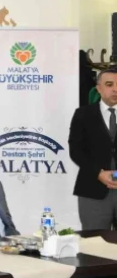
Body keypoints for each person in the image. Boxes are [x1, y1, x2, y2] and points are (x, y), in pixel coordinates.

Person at [69, 67, 117, 230]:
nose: (115, 89)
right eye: (109, 84)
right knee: (94, 241)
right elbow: (76, 150)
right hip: (92, 190)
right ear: (98, 88)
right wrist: (98, 172)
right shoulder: (83, 114)